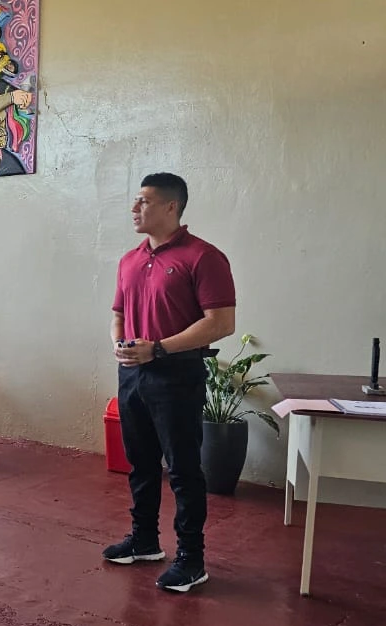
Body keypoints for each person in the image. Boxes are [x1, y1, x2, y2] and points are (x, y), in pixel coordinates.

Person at [105, 172, 235, 594]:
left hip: (176, 374)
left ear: (171, 206)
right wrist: (120, 345)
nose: (134, 208)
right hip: (133, 374)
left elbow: (221, 323)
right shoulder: (129, 260)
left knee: (182, 469)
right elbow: (118, 314)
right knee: (140, 463)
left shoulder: (203, 257)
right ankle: (144, 540)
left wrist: (158, 349)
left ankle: (191, 560)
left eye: (143, 201)